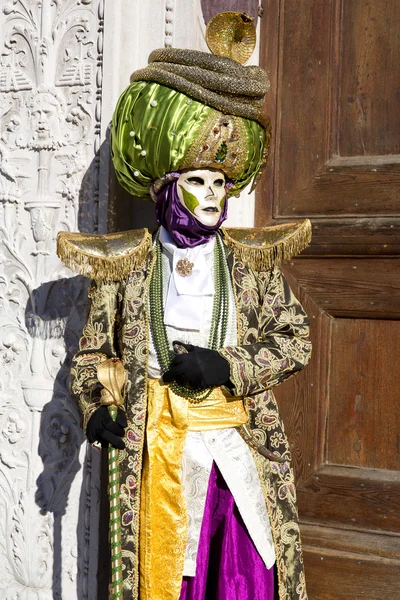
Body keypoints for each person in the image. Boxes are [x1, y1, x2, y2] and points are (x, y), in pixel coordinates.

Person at [58, 13, 312, 600]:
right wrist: (97, 406)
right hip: (158, 460)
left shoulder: (250, 263)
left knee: (244, 579)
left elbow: (294, 338)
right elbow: (92, 355)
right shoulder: (125, 267)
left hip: (236, 460)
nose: (211, 197)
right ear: (166, 186)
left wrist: (229, 366)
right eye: (198, 181)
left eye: (220, 184)